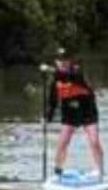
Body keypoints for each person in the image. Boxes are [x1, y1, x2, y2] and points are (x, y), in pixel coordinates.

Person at [42, 48, 104, 178]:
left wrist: (50, 70)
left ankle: (100, 171)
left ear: (70, 61)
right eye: (60, 60)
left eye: (65, 60)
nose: (63, 62)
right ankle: (58, 171)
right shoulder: (55, 82)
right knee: (62, 143)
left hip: (88, 111)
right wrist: (47, 118)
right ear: (56, 62)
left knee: (94, 141)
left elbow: (68, 76)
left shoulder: (77, 73)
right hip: (70, 114)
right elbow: (52, 103)